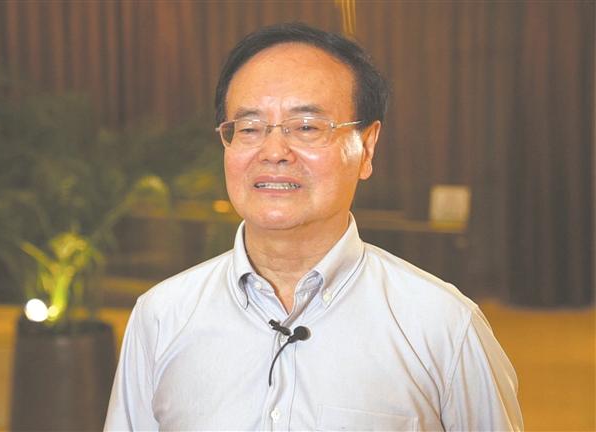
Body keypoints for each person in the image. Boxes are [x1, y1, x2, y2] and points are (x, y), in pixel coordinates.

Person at [105, 22, 523, 431]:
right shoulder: (161, 316)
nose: (273, 151)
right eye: (249, 128)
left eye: (306, 127)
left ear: (367, 147)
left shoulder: (442, 325)